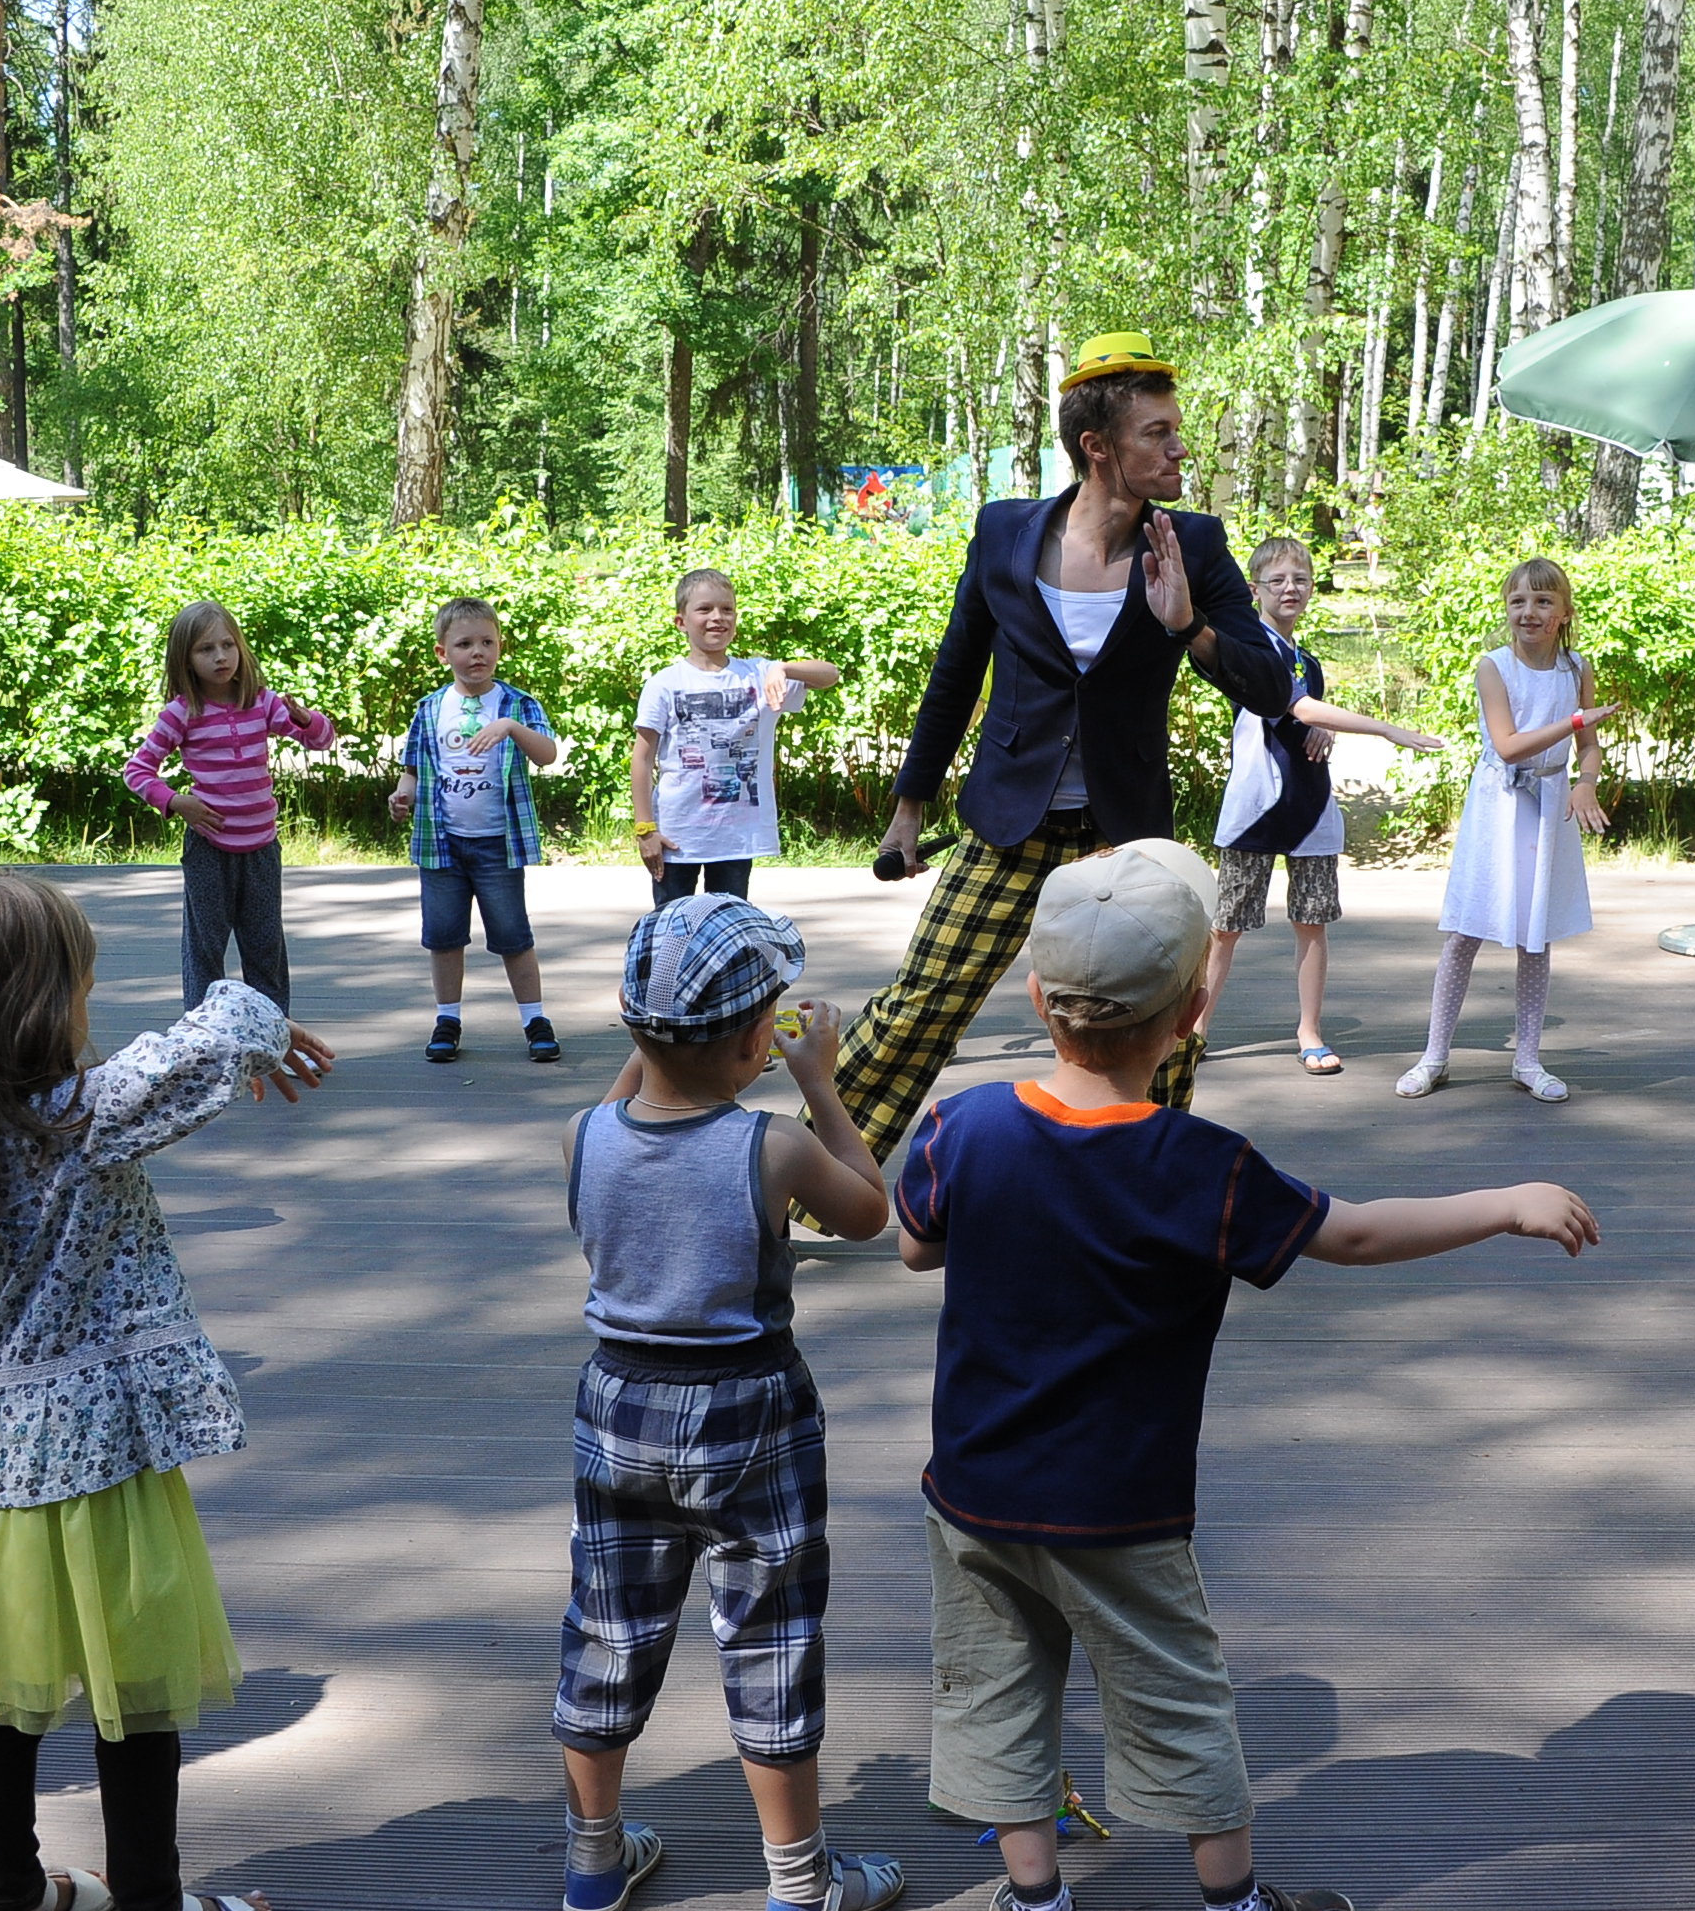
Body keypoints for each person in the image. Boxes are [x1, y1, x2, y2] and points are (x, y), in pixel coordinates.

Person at [896, 840, 1599, 1911]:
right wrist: (1503, 1201)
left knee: (993, 1690)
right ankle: (1230, 1900)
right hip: (1118, 1508)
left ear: (1037, 997)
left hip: (974, 1491)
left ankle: (1032, 1895)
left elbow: (915, 1245)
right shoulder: (1201, 1166)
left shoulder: (964, 1124)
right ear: (1190, 1015)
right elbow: (1352, 1236)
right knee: (1177, 1699)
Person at [0, 863, 333, 1911]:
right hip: (101, 1450)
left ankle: (11, 1889)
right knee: (138, 1694)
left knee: (5, 1697)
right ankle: (152, 1898)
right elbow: (230, 1014)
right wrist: (271, 1026)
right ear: (39, 1002)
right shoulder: (82, 1114)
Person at [840, 332, 1295, 1159]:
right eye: (1157, 433)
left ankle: (1148, 1191)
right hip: (1011, 820)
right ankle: (804, 1181)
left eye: (1174, 430)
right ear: (1097, 447)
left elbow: (1271, 688)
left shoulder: (1191, 545)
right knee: (919, 1006)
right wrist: (908, 809)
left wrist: (1188, 624)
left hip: (1129, 834)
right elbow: (954, 677)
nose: (1179, 446)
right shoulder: (1007, 534)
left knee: (1165, 1027)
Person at [553, 895, 905, 1911]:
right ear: (759, 1040)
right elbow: (868, 1211)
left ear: (627, 1025)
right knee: (770, 1637)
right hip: (750, 1415)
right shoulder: (772, 1147)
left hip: (616, 1404)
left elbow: (639, 1095)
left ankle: (592, 1860)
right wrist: (821, 1087)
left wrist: (664, 1046)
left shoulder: (583, 1136)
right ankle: (799, 1884)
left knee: (606, 1629)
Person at [1195, 537, 1444, 1075]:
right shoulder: (1247, 646)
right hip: (1254, 809)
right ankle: (1195, 1029)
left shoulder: (1306, 659)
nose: (1291, 589)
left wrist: (1325, 734)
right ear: (1254, 588)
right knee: (1225, 926)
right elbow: (1293, 704)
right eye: (1278, 580)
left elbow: (1308, 715)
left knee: (1312, 923)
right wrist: (1384, 728)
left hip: (1310, 812)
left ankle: (1309, 1031)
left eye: (1301, 579)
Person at [1397, 558, 1615, 1105]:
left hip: (1546, 805)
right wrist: (1576, 724)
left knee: (1534, 932)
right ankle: (1434, 1055)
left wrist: (1586, 781)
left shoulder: (1576, 668)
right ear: (1507, 608)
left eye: (1543, 602)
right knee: (1467, 930)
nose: (1530, 612)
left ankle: (1528, 1058)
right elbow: (1509, 744)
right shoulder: (1493, 666)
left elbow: (1589, 745)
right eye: (1519, 601)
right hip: (1499, 805)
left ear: (1564, 612)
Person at [125, 601, 339, 1012]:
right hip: (209, 851)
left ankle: (273, 1040)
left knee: (265, 948)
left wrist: (307, 718)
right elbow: (137, 771)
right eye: (206, 649)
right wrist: (175, 802)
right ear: (185, 659)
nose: (220, 656)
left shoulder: (261, 702)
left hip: (261, 849)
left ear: (240, 648)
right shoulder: (181, 713)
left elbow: (322, 740)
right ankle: (202, 1043)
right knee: (205, 950)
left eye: (228, 645)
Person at [391, 597, 563, 1065]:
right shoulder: (430, 709)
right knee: (443, 935)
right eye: (464, 644)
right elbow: (413, 768)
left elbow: (546, 754)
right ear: (442, 653)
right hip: (442, 844)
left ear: (499, 647)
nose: (477, 652)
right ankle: (447, 1018)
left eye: (486, 642)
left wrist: (509, 727)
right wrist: (403, 794)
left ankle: (535, 1018)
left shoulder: (515, 704)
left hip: (498, 844)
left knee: (513, 934)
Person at [630, 568, 842, 907]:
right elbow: (642, 758)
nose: (717, 617)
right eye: (705, 609)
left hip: (735, 839)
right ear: (681, 622)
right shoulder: (664, 683)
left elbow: (830, 674)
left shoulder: (758, 674)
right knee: (671, 932)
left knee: (727, 934)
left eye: (727, 609)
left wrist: (784, 668)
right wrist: (645, 829)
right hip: (676, 837)